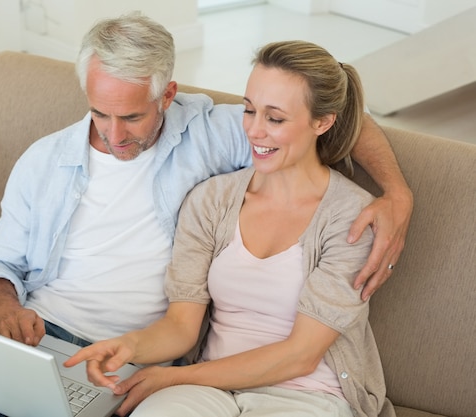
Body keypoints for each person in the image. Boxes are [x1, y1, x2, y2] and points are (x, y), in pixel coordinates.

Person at [0, 13, 408, 416]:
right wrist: (4, 309)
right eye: (100, 113)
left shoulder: (215, 133)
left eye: (132, 117)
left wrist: (396, 193)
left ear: (167, 94)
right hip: (41, 331)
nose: (114, 136)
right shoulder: (45, 160)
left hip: (134, 353)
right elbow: (1, 262)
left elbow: (329, 116)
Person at [66, 40, 394, 417]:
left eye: (275, 119)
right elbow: (180, 326)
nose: (254, 131)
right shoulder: (212, 200)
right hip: (210, 390)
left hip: (308, 395)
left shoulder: (353, 219)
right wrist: (127, 346)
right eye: (249, 110)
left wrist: (171, 378)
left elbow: (301, 356)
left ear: (322, 121)